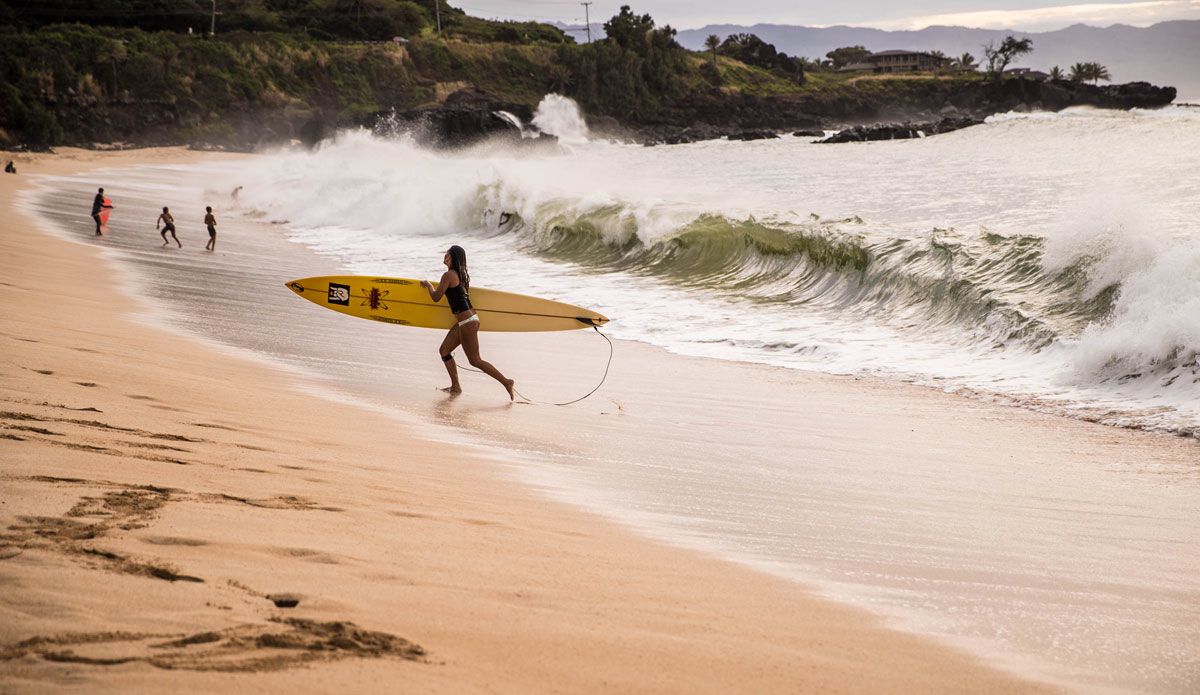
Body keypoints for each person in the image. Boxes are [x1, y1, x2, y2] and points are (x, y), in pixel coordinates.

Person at [420, 245, 515, 400]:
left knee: (475, 360)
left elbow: (436, 297)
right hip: (468, 320)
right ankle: (456, 387)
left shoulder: (449, 275)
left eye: (447, 253)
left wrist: (429, 286)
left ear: (451, 257)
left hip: (467, 322)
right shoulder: (459, 275)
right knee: (444, 350)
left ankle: (507, 382)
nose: (444, 256)